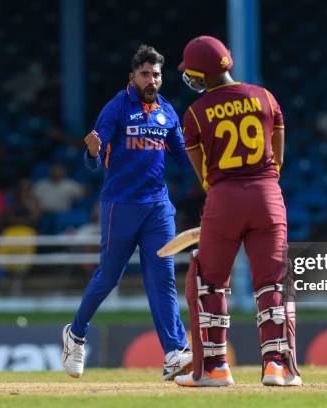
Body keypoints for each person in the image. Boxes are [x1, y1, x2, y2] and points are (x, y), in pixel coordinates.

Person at [174, 36, 301, 387]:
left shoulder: (195, 113)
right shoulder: (264, 96)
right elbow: (278, 153)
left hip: (223, 197)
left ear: (201, 73)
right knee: (272, 280)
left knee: (211, 282)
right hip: (267, 194)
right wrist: (264, 184)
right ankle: (277, 365)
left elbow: (201, 172)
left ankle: (215, 368)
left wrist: (223, 195)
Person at [61, 45, 192, 380]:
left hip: (157, 206)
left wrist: (213, 168)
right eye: (145, 74)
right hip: (120, 205)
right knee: (109, 277)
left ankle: (175, 353)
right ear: (132, 76)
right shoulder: (117, 107)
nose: (152, 80)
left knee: (162, 276)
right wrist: (91, 153)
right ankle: (75, 336)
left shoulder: (166, 111)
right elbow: (95, 157)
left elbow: (183, 157)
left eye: (157, 74)